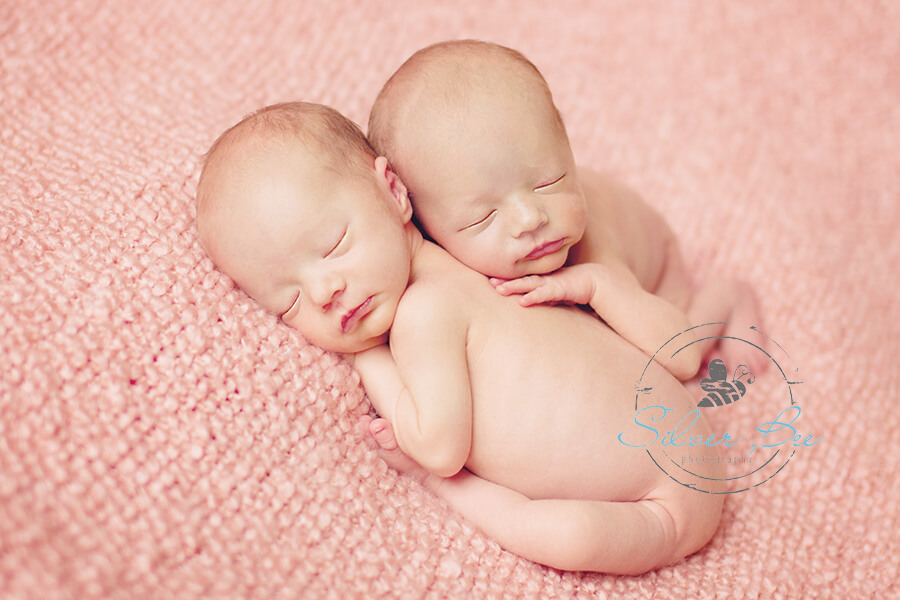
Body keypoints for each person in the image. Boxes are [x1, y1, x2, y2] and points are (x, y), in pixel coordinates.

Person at [195, 101, 723, 575]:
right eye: (289, 301)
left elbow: (439, 447)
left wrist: (370, 364)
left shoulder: (426, 311)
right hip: (685, 440)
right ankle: (723, 305)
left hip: (662, 507)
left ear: (395, 191)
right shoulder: (468, 258)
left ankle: (454, 497)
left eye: (335, 245)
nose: (325, 291)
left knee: (567, 537)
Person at [368, 40, 766, 375]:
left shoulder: (592, 250)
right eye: (483, 217)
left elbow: (682, 356)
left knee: (664, 372)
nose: (530, 219)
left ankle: (726, 297)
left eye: (550, 182)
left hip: (655, 278)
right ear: (423, 226)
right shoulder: (433, 259)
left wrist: (597, 284)